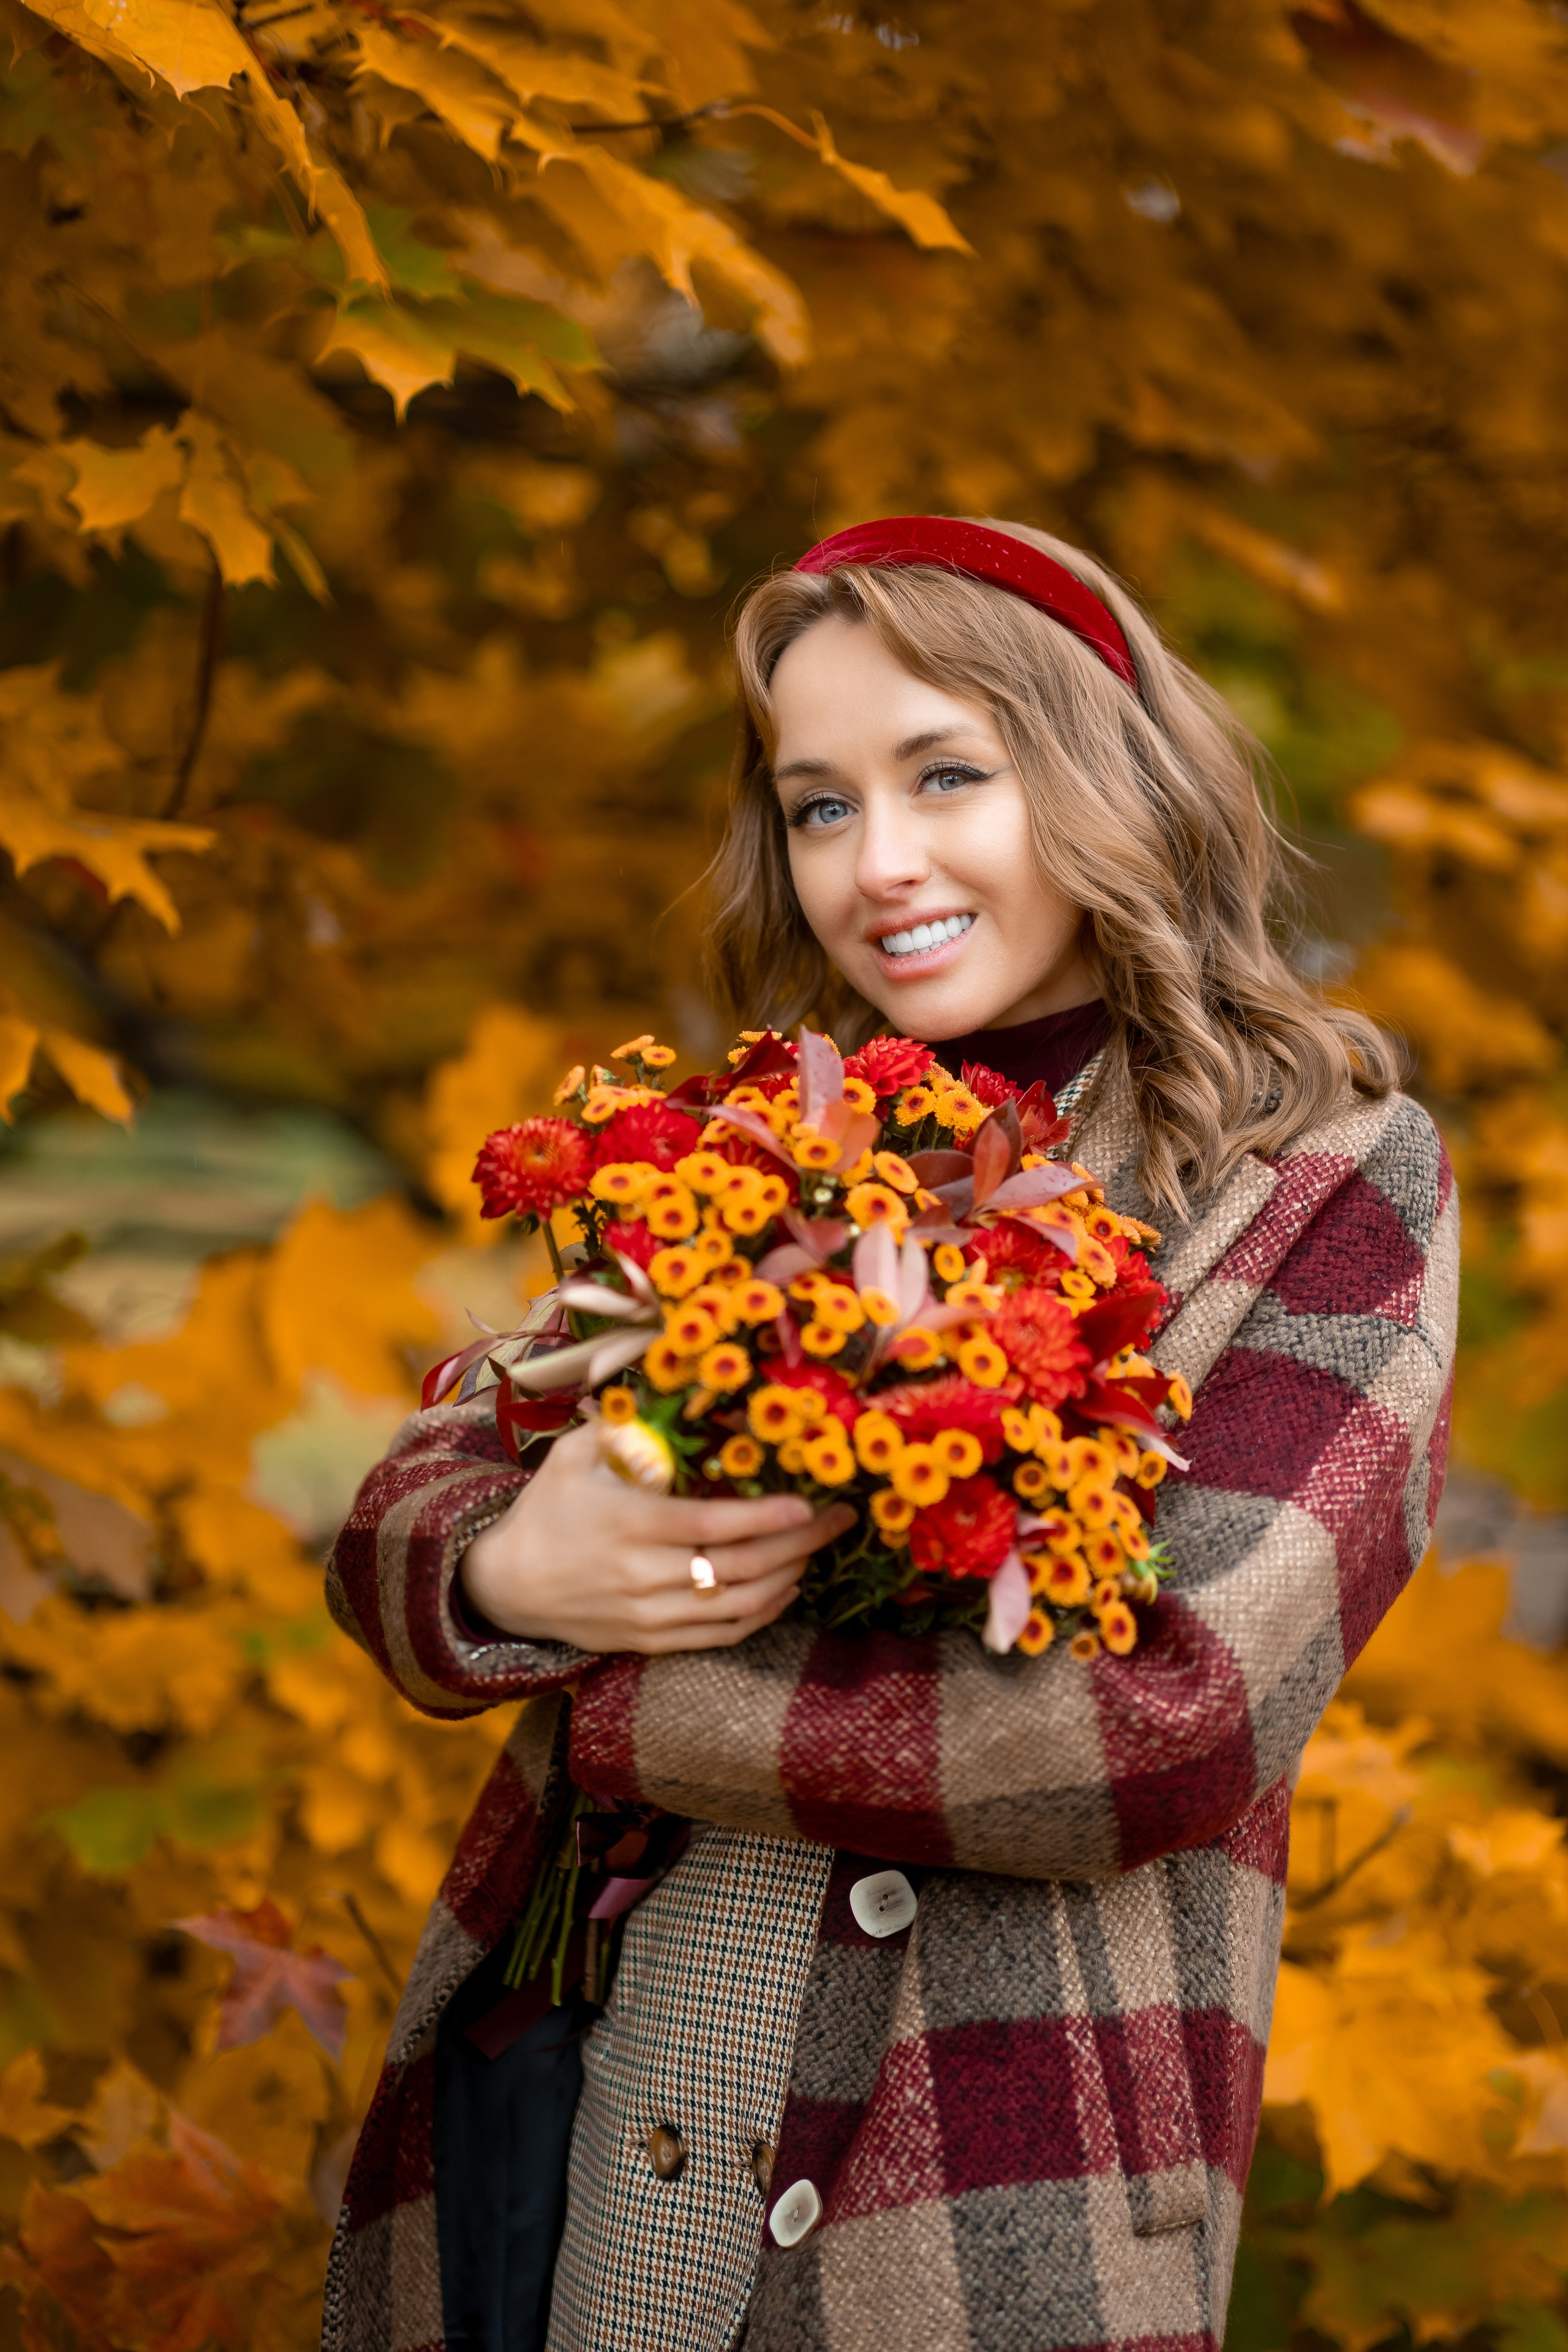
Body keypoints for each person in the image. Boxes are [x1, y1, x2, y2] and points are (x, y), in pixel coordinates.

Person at [321, 518, 1457, 2352]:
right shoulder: (777, 1132)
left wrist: (617, 1698)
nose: (880, 861)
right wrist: (504, 1563)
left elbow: (1163, 1720)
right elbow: (441, 1456)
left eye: (947, 775)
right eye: (820, 803)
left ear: (1104, 771)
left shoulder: (1315, 1179)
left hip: (980, 2200)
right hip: (593, 2130)